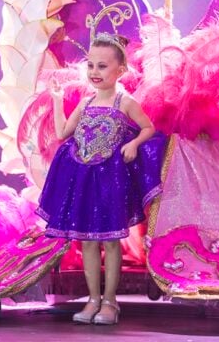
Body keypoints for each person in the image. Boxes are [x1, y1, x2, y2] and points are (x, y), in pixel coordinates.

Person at [36, 33, 166, 325]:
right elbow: (63, 133)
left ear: (121, 70)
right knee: (87, 242)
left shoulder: (125, 102)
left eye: (102, 66)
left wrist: (134, 144)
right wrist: (57, 101)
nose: (95, 72)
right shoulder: (85, 103)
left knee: (111, 241)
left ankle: (110, 301)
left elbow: (148, 128)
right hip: (84, 179)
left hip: (110, 182)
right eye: (91, 65)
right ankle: (93, 299)